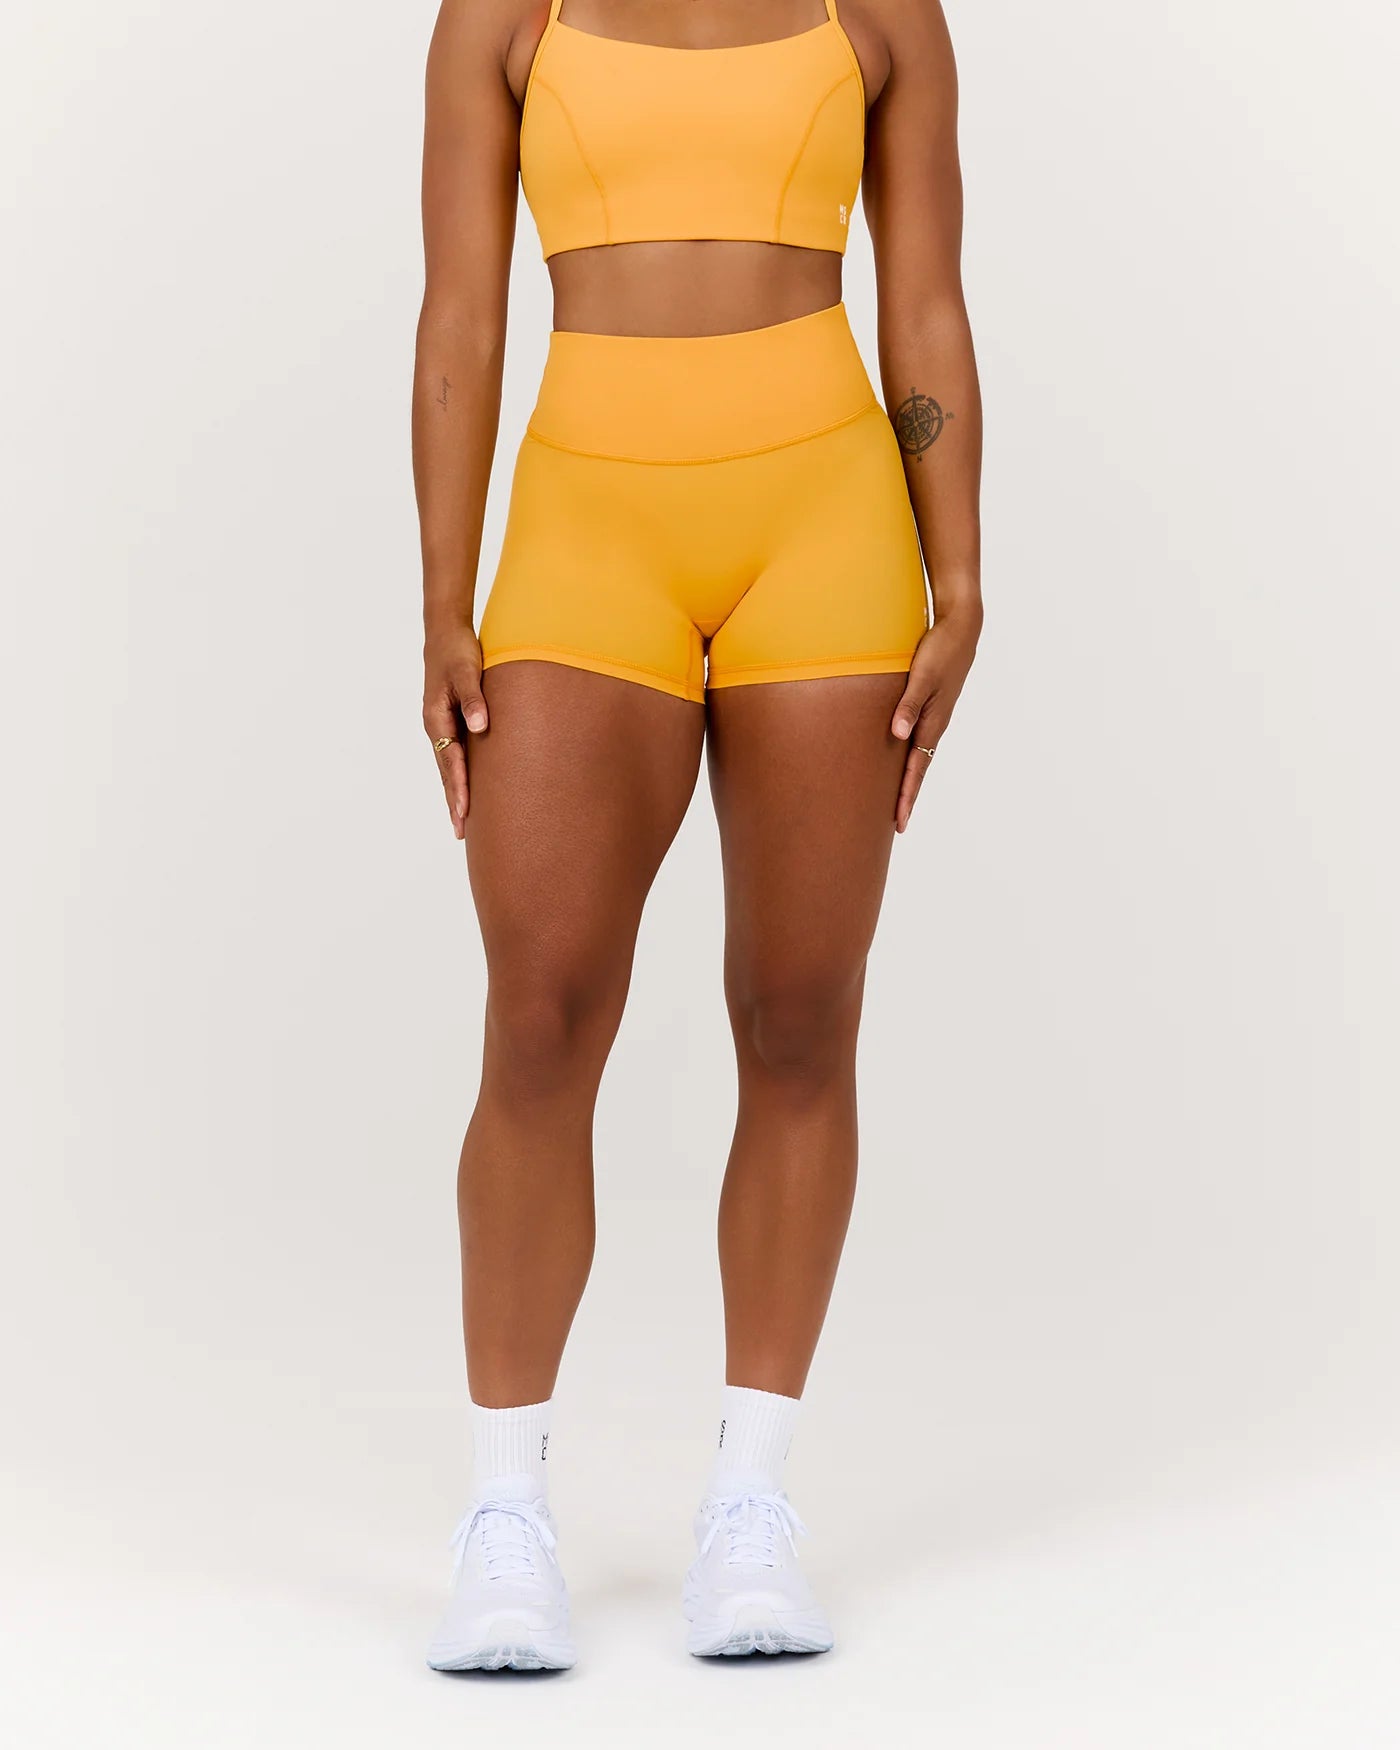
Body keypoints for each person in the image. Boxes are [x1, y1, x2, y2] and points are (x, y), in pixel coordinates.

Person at [412, 0, 981, 1669]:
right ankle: (504, 1514)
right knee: (540, 1012)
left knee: (800, 1012)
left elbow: (924, 302)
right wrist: (444, 595)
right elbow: (463, 311)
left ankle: (752, 1496)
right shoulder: (499, 17)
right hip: (590, 519)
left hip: (828, 522)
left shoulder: (885, 14)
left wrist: (960, 569)